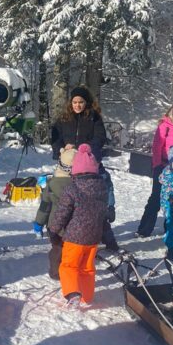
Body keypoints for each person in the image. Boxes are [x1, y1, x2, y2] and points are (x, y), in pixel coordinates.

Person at [51, 85, 118, 251]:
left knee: (94, 202)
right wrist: (61, 149)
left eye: (81, 102)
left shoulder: (94, 117)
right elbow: (55, 138)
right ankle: (64, 238)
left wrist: (85, 149)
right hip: (68, 164)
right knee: (68, 202)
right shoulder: (64, 118)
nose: (77, 105)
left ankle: (109, 239)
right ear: (70, 103)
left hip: (89, 163)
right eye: (74, 102)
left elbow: (100, 138)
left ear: (86, 103)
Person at [49, 144, 108, 309]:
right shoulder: (102, 187)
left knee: (69, 266)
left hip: (74, 237)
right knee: (87, 268)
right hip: (94, 237)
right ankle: (87, 296)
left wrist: (53, 230)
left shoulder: (72, 188)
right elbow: (105, 210)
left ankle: (73, 293)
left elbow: (62, 213)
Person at [34, 147, 77, 280]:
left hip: (54, 226)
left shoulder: (52, 184)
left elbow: (45, 206)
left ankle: (56, 272)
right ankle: (71, 270)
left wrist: (38, 223)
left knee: (57, 249)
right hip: (74, 225)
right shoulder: (80, 184)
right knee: (71, 250)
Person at [138, 104, 173, 237]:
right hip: (163, 167)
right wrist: (157, 165)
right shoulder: (165, 126)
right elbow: (157, 146)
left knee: (172, 201)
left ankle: (169, 231)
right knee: (156, 198)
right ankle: (144, 229)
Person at [159, 146, 173, 261]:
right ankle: (171, 250)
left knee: (169, 224)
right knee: (170, 226)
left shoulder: (165, 171)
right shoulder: (169, 173)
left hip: (166, 204)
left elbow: (160, 179)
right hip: (169, 204)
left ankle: (170, 248)